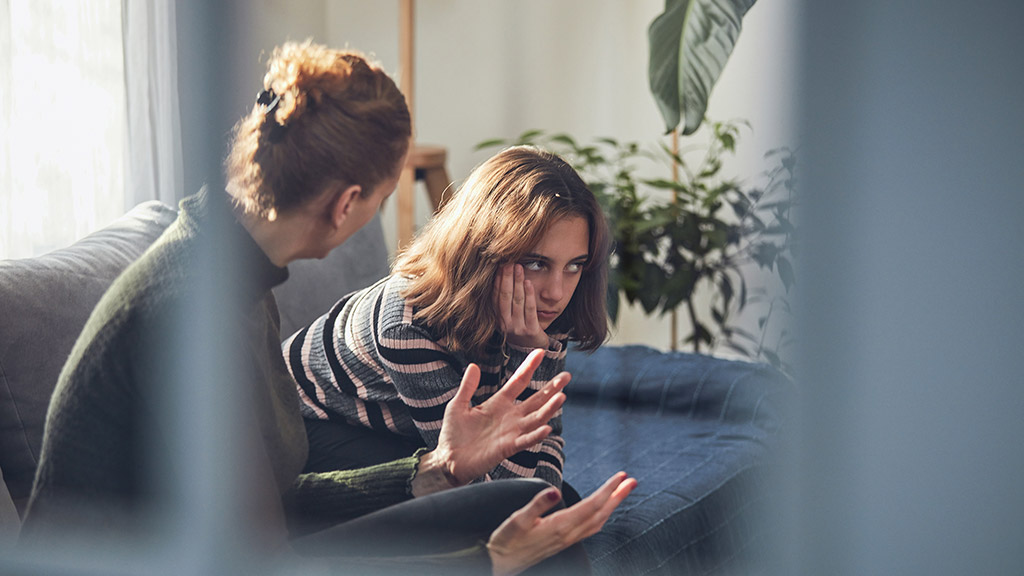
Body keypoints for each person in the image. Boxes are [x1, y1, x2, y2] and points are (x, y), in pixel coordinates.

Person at [19, 41, 635, 575]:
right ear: (347, 203)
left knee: (532, 514)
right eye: (385, 197)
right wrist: (486, 562)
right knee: (530, 547)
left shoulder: (230, 278)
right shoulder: (189, 317)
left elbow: (279, 500)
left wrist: (438, 468)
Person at [284, 146, 611, 499]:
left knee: (558, 502)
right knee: (494, 507)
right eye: (536, 263)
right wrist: (527, 354)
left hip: (410, 431)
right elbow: (484, 485)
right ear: (485, 249)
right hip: (307, 429)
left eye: (574, 265)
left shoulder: (544, 309)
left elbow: (542, 445)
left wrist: (530, 349)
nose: (557, 292)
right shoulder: (408, 323)